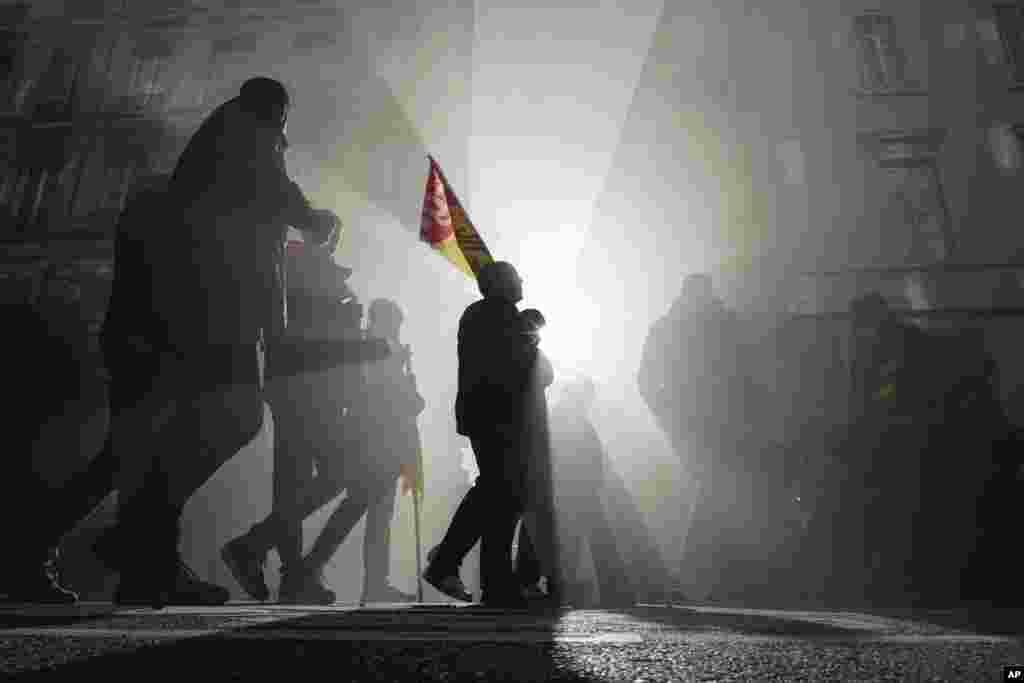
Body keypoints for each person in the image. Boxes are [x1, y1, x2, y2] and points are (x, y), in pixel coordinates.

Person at [107, 76, 342, 607]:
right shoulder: (251, 134)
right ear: (278, 111)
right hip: (219, 303)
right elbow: (276, 193)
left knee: (197, 423)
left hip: (206, 300)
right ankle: (139, 537)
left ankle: (148, 558)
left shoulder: (222, 137)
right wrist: (316, 220)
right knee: (235, 416)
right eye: (285, 119)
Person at [222, 293, 421, 605]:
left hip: (317, 406)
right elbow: (373, 391)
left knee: (337, 486)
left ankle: (274, 554)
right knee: (342, 485)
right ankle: (276, 556)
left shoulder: (372, 342)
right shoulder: (375, 345)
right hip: (343, 422)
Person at [422, 261, 539, 608]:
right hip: (499, 416)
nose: (522, 282)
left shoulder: (484, 315)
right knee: (500, 493)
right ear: (503, 284)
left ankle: (486, 576)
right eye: (517, 277)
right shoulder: (498, 317)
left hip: (487, 415)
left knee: (500, 496)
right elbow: (524, 369)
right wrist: (529, 331)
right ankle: (454, 563)